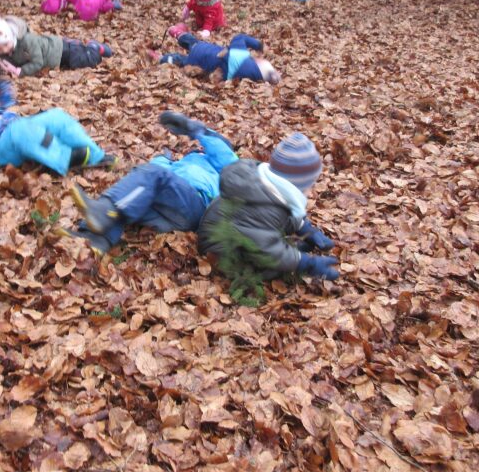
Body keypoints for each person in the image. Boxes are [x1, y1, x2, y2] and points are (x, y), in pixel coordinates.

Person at [65, 112, 238, 254]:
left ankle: (104, 211)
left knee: (147, 180)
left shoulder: (227, 165)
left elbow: (222, 151)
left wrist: (196, 130)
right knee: (133, 199)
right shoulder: (186, 161)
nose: (202, 148)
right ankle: (96, 240)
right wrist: (162, 160)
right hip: (170, 213)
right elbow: (150, 178)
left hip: (195, 203)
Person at [197, 133, 339, 305]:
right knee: (270, 267)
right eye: (309, 186)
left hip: (245, 233)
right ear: (295, 185)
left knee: (278, 244)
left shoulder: (271, 187)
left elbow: (286, 213)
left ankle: (291, 250)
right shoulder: (262, 208)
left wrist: (307, 230)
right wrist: (305, 263)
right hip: (220, 246)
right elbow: (268, 251)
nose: (310, 191)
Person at [0, 10, 112, 78]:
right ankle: (86, 48)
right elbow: (8, 60)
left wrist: (20, 71)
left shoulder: (27, 41)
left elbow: (38, 63)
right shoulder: (5, 51)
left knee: (83, 61)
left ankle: (94, 48)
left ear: (11, 36)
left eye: (5, 45)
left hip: (62, 50)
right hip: (56, 58)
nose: (4, 50)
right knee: (71, 65)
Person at [149, 32, 281, 84]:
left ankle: (178, 33)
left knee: (191, 42)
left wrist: (258, 45)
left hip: (203, 49)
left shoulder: (241, 53)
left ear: (258, 62)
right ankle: (161, 58)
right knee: (180, 60)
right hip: (199, 65)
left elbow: (240, 37)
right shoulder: (238, 78)